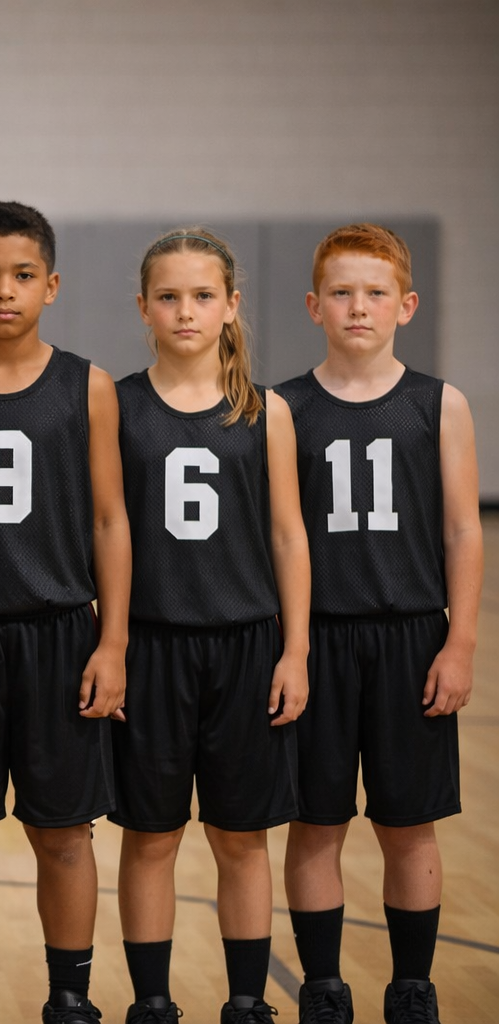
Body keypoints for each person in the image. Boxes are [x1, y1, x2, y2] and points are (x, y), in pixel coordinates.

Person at [0, 201, 131, 1024]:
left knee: (65, 832)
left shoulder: (88, 385)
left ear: (53, 284)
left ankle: (69, 995)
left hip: (60, 635)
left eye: (24, 275)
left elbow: (110, 520)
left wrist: (112, 640)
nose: (6, 291)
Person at [276, 224, 481, 1024]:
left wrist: (459, 642)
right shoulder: (284, 408)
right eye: (341, 292)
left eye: (375, 292)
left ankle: (412, 985)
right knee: (314, 821)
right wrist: (287, 650)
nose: (358, 307)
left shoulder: (439, 403)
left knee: (408, 824)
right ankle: (324, 985)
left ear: (406, 304)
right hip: (316, 638)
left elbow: (465, 531)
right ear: (313, 305)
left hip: (410, 638)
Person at [112, 228, 309, 1024]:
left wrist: (295, 650)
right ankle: (152, 1001)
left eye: (202, 296)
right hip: (153, 647)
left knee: (241, 838)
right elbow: (105, 528)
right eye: (169, 296)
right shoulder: (116, 406)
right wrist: (112, 645)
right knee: (150, 838)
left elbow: (288, 537)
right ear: (143, 308)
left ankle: (247, 1002)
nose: (185, 311)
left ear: (232, 306)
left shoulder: (268, 412)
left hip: (246, 647)